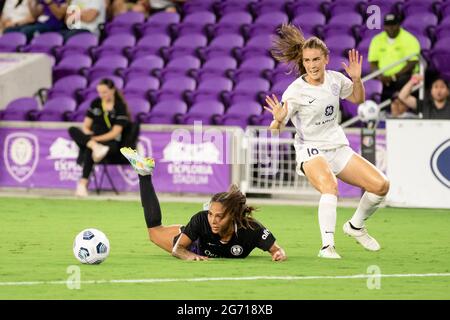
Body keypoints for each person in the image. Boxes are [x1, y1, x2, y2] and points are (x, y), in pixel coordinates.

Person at [264, 24, 389, 259]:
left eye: (316, 59)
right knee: (330, 187)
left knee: (381, 186)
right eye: (307, 60)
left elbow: (358, 99)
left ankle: (355, 226)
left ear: (326, 59)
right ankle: (327, 247)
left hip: (337, 146)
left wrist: (357, 79)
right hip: (309, 149)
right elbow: (274, 132)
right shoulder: (295, 92)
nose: (311, 65)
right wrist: (277, 121)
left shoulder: (335, 80)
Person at [120, 147, 287, 261]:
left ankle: (143, 173)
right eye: (211, 214)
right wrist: (188, 256)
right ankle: (144, 174)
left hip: (202, 233)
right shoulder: (202, 220)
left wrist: (279, 255)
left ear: (233, 216)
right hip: (194, 244)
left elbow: (277, 250)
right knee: (154, 233)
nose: (213, 221)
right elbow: (177, 250)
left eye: (219, 216)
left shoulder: (252, 229)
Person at [68, 78, 131, 197]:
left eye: (105, 92)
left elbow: (115, 133)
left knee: (88, 149)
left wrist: (95, 140)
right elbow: (86, 126)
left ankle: (83, 184)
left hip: (110, 143)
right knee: (72, 130)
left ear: (112, 90)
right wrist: (91, 139)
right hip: (94, 140)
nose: (102, 95)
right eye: (100, 92)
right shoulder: (96, 103)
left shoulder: (120, 107)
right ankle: (94, 147)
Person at [368, 13, 421, 108]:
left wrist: (393, 77)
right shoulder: (377, 40)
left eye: (393, 25)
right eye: (388, 25)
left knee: (402, 81)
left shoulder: (409, 39)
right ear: (384, 26)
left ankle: (402, 112)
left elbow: (412, 62)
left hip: (402, 76)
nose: (391, 28)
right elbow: (373, 62)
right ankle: (383, 112)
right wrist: (380, 76)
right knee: (370, 82)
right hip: (383, 77)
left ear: (398, 25)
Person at [4, 0, 68, 41]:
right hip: (39, 23)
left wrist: (50, 2)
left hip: (53, 24)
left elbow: (60, 16)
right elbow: (35, 15)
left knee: (26, 31)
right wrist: (31, 4)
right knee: (8, 30)